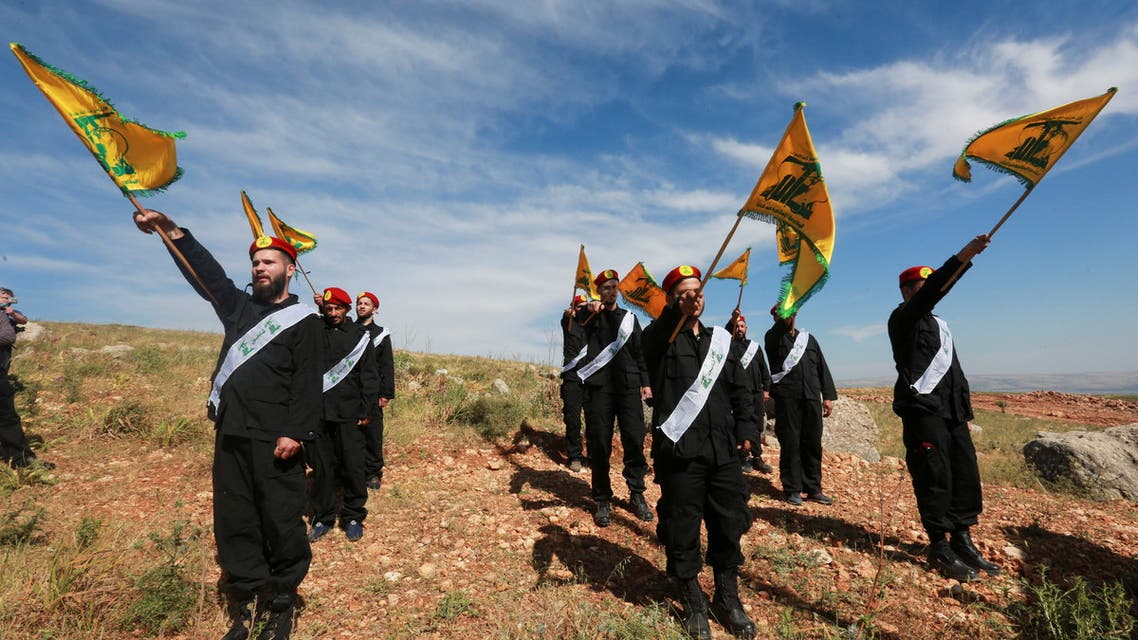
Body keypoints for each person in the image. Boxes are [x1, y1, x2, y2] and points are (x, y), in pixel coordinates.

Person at [133, 210, 322, 640]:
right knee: (234, 518)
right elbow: (208, 276)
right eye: (256, 262)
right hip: (232, 434)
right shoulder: (238, 308)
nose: (259, 267)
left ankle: (281, 602)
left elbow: (308, 383)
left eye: (269, 262)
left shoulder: (305, 321)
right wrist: (171, 231)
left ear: (289, 270)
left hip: (277, 440)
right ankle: (245, 598)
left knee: (280, 519)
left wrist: (295, 432)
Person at [641, 265, 759, 640]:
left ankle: (727, 597)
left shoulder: (720, 341)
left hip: (722, 450)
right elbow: (658, 336)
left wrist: (747, 430)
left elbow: (739, 389)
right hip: (680, 452)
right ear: (672, 300)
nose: (694, 297)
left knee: (729, 523)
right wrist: (676, 311)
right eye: (684, 293)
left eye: (698, 292)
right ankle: (693, 600)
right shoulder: (659, 339)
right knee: (682, 524)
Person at [889, 234, 1000, 582]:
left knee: (965, 475)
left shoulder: (941, 326)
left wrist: (964, 409)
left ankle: (962, 538)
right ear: (908, 291)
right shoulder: (902, 319)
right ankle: (939, 545)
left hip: (952, 411)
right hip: (924, 411)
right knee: (934, 476)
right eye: (922, 286)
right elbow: (940, 286)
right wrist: (964, 256)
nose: (930, 290)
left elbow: (953, 370)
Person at [573, 269, 654, 526]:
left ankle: (637, 493)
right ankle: (602, 498)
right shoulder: (589, 316)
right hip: (598, 388)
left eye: (613, 286)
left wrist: (646, 383)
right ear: (599, 291)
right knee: (599, 443)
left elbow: (641, 354)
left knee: (633, 439)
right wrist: (587, 309)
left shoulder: (630, 318)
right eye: (605, 287)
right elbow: (572, 323)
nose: (610, 290)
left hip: (628, 387)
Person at [308, 287, 379, 543]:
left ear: (347, 309)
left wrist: (367, 408)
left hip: (350, 412)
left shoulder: (360, 336)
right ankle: (322, 517)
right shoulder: (316, 331)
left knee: (352, 465)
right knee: (323, 468)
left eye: (338, 308)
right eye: (329, 308)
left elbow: (370, 375)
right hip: (320, 412)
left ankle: (352, 516)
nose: (333, 312)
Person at [764, 306, 837, 506]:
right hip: (788, 399)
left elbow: (822, 366)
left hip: (812, 397)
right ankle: (792, 489)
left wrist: (828, 396)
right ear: (775, 317)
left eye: (791, 312)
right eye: (782, 314)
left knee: (812, 444)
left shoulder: (809, 339)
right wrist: (784, 319)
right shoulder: (773, 337)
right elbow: (780, 328)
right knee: (791, 444)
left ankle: (813, 488)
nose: (788, 316)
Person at [0, 287, 51, 469]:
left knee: (6, 415)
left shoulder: (9, 312)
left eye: (6, 296)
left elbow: (23, 320)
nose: (3, 298)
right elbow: (6, 337)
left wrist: (10, 311)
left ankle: (17, 458)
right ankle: (20, 460)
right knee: (6, 416)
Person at [355, 291, 394, 490]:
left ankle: (372, 472)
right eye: (359, 303)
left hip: (372, 393)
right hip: (350, 393)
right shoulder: (348, 330)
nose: (361, 306)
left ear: (374, 309)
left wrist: (385, 393)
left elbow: (387, 365)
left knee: (372, 434)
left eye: (366, 303)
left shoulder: (381, 334)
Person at [726, 311, 773, 474]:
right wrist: (731, 321)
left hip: (756, 393)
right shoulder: (729, 346)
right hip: (739, 395)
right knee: (742, 425)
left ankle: (757, 456)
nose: (739, 329)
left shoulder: (755, 347)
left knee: (757, 425)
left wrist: (766, 388)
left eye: (741, 326)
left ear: (746, 328)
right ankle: (743, 457)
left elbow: (764, 369)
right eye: (736, 326)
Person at [559, 293, 590, 473]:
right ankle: (575, 456)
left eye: (585, 306)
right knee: (573, 418)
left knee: (594, 419)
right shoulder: (569, 323)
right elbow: (566, 317)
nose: (583, 309)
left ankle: (593, 456)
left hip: (592, 376)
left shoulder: (594, 324)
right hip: (572, 377)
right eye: (579, 307)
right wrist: (568, 314)